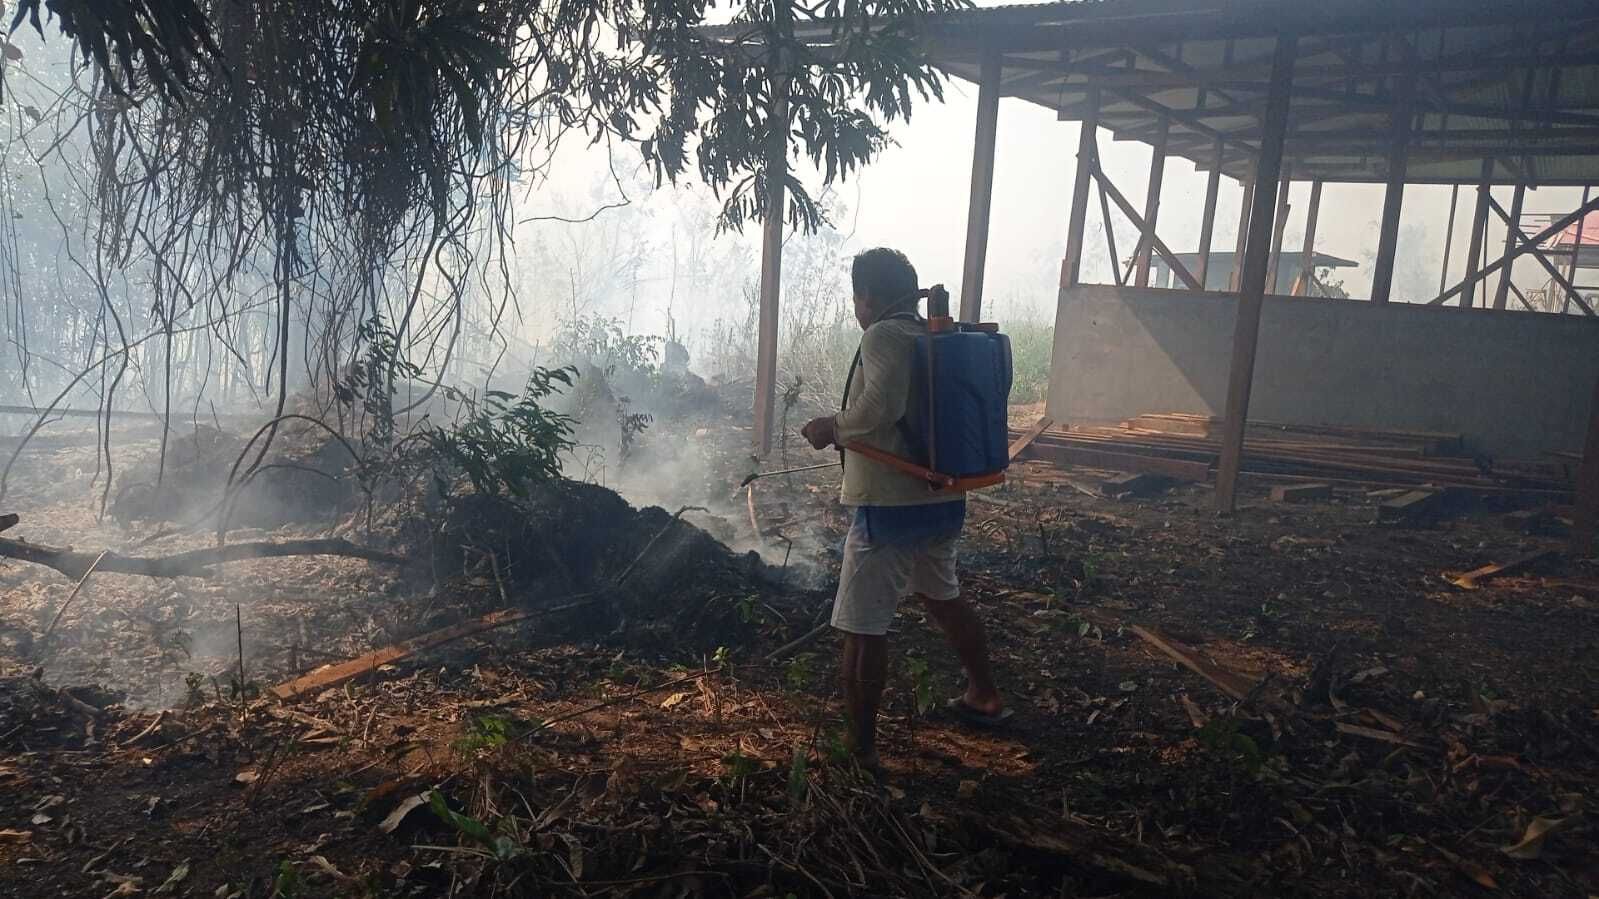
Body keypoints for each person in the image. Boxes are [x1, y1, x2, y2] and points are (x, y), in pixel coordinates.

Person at [800, 247, 1009, 774]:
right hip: (943, 497)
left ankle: (860, 750)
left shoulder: (883, 336)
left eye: (856, 298)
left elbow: (878, 411)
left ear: (865, 297)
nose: (857, 308)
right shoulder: (932, 336)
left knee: (862, 627)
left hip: (890, 509)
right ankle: (983, 693)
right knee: (942, 596)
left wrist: (832, 427)